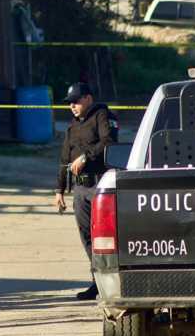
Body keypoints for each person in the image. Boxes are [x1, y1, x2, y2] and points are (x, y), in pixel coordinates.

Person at [55, 82, 118, 301]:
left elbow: (109, 141)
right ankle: (97, 281)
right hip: (81, 188)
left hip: (100, 185)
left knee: (106, 237)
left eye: (76, 101)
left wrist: (86, 157)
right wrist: (59, 189)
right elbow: (64, 158)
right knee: (87, 236)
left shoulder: (102, 115)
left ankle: (112, 281)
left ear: (88, 98)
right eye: (69, 103)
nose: (72, 106)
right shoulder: (72, 126)